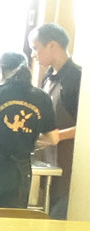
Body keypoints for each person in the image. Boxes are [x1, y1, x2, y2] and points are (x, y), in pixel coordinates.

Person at [0, 52, 58, 210]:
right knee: (12, 219)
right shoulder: (42, 97)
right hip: (20, 171)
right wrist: (30, 140)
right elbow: (53, 138)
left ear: (0, 69)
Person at [28, 23, 82, 219]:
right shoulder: (48, 77)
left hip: (72, 163)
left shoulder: (78, 78)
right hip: (50, 162)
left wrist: (58, 136)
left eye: (36, 48)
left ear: (52, 45)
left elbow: (86, 126)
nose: (34, 55)